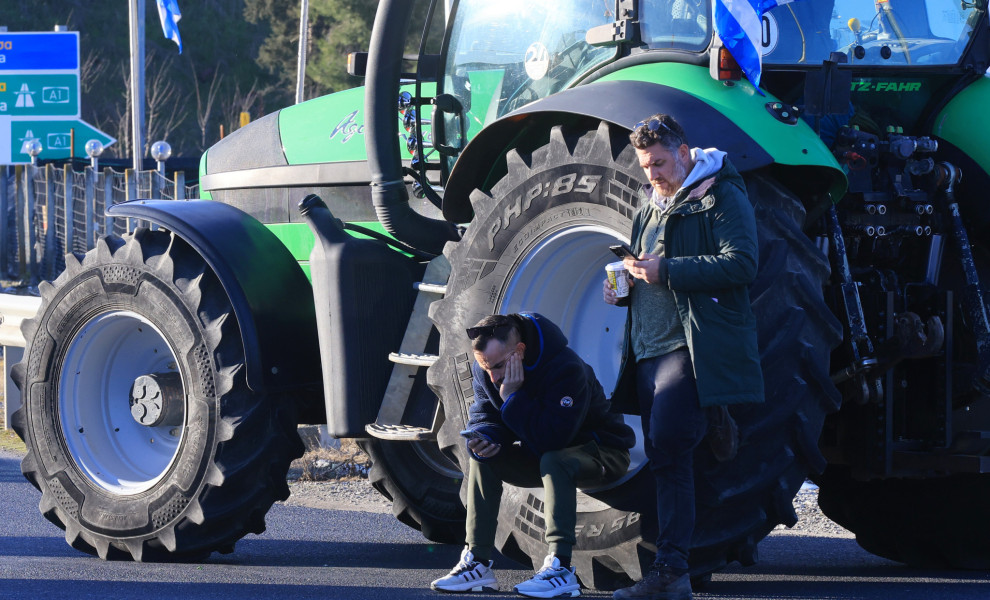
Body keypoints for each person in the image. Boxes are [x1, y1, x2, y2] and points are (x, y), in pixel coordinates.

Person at [604, 114, 764, 600]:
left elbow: (743, 264)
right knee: (665, 452)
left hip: (690, 344)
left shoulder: (719, 197)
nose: (652, 173)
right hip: (647, 349)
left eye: (659, 162)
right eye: (645, 165)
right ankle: (684, 565)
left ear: (685, 152)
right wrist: (624, 284)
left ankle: (671, 570)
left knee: (669, 446)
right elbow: (644, 267)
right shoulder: (647, 208)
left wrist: (667, 269)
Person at [431, 312, 635, 599]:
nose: (493, 377)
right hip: (545, 453)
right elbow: (486, 415)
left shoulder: (566, 368)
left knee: (555, 459)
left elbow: (553, 439)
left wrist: (513, 397)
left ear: (520, 351)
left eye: (499, 366)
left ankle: (560, 569)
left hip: (603, 452)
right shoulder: (489, 368)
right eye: (485, 368)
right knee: (483, 458)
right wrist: (485, 438)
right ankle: (477, 563)